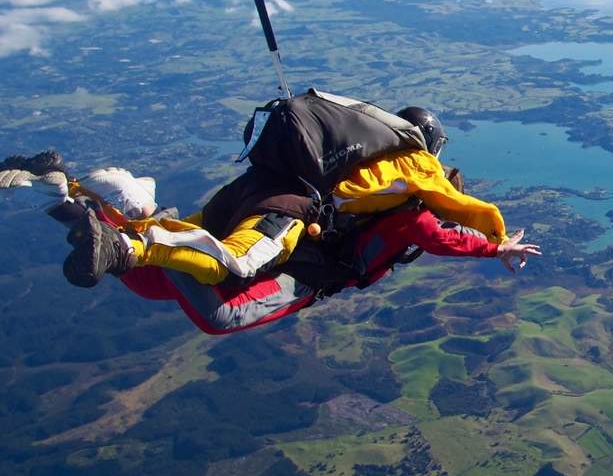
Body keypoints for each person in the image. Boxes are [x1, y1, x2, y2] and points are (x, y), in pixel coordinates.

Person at [1, 111, 541, 334]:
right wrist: (493, 249)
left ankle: (63, 194)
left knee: (151, 280)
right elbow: (429, 232)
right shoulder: (406, 197)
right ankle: (129, 239)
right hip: (300, 261)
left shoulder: (355, 164)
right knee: (221, 313)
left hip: (254, 199)